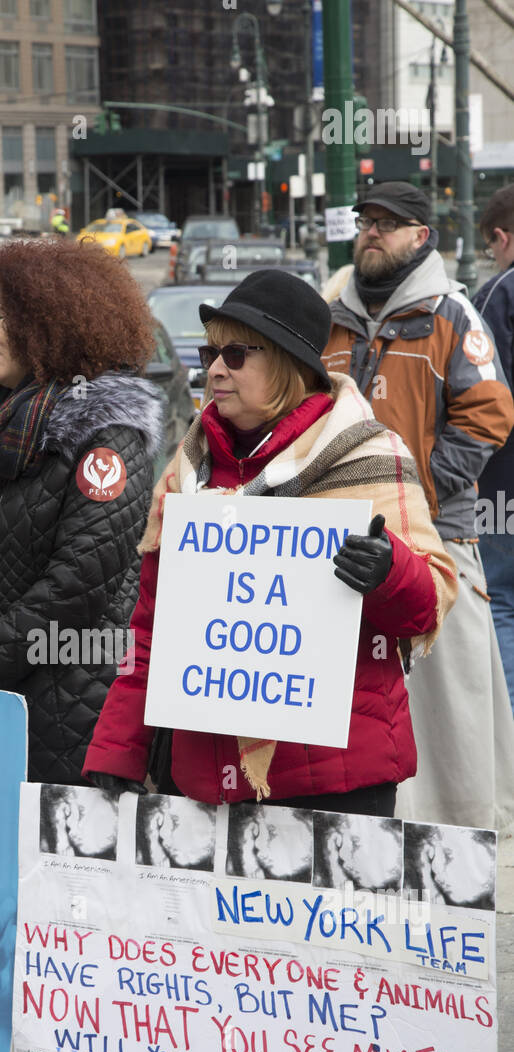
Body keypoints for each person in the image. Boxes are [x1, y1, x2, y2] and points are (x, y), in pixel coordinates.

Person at [83, 270, 458, 814]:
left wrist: (387, 572)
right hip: (206, 781)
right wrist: (119, 749)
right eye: (210, 354)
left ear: (287, 364)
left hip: (340, 778)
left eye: (235, 355)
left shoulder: (368, 455)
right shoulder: (186, 471)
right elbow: (152, 625)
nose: (214, 369)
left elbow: (429, 604)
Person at [0, 236, 164, 783]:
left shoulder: (109, 438)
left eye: (0, 319)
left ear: (51, 321)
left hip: (70, 713)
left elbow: (76, 585)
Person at [321, 182, 514, 830]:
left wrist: (422, 487)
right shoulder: (332, 314)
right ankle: (376, 822)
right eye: (366, 220)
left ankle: (461, 832)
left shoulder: (451, 312)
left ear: (421, 236)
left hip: (439, 536)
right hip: (342, 537)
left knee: (447, 700)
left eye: (389, 223)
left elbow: (491, 411)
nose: (372, 231)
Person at [474, 184, 514, 709]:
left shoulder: (496, 295)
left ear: (502, 238)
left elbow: (484, 404)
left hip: (503, 487)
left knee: (500, 598)